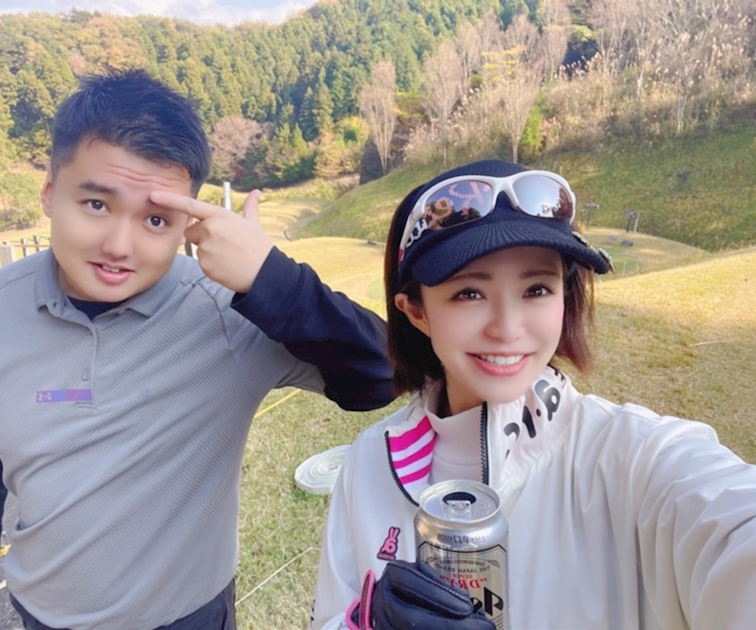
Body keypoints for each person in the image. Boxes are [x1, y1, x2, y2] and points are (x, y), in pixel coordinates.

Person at [0, 69, 394, 630]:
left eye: (155, 219)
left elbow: (384, 374)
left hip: (190, 617)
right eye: (96, 204)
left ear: (187, 222)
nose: (119, 246)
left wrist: (273, 279)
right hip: (42, 615)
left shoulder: (229, 311)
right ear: (49, 191)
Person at [310, 159, 756, 630]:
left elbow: (731, 524)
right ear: (416, 312)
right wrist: (366, 623)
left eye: (537, 288)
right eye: (469, 293)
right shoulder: (367, 465)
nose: (508, 329)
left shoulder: (635, 459)